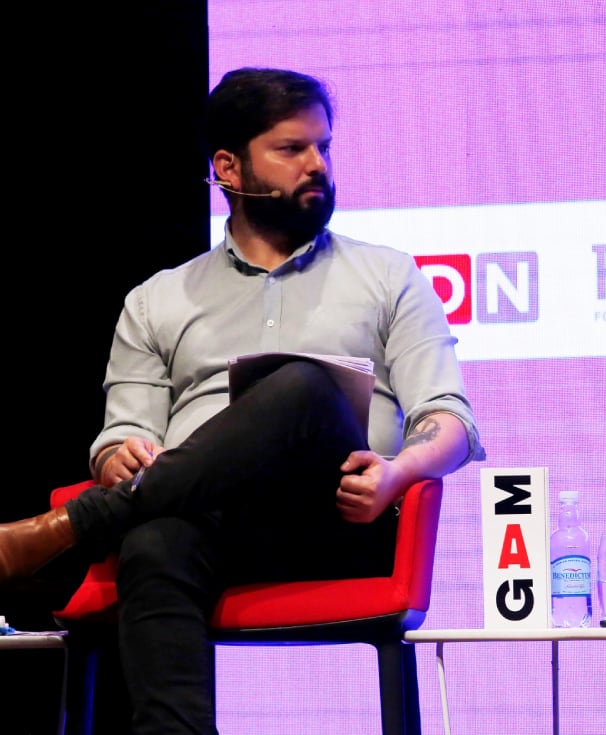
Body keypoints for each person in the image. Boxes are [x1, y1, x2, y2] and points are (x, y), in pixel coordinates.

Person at [0, 67, 485, 734]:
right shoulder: (157, 299)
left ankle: (68, 528)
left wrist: (399, 470)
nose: (317, 164)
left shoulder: (388, 275)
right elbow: (122, 436)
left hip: (338, 522)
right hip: (207, 524)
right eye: (292, 149)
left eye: (324, 146)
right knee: (154, 543)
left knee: (304, 386)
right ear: (228, 166)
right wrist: (121, 456)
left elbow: (448, 419)